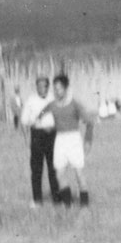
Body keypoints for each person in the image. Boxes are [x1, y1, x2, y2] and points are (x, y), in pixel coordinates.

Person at [39, 74, 96, 207]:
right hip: (60, 140)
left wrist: (88, 141)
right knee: (59, 174)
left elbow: (89, 122)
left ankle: (84, 205)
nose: (56, 91)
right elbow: (41, 113)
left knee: (78, 173)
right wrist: (40, 121)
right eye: (54, 89)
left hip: (73, 139)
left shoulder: (75, 104)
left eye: (59, 89)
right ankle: (68, 204)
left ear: (65, 89)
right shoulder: (52, 105)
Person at [20, 76, 60, 207]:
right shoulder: (30, 101)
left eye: (45, 86)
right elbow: (24, 122)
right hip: (37, 135)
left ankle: (57, 199)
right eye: (39, 86)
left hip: (52, 135)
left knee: (54, 168)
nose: (42, 88)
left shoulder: (53, 99)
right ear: (36, 87)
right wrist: (27, 140)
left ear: (48, 87)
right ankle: (37, 200)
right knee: (36, 169)